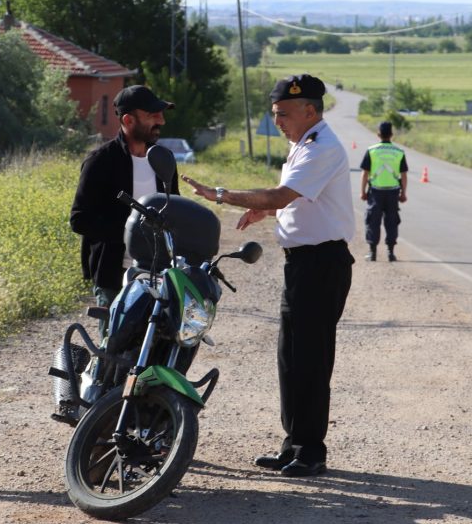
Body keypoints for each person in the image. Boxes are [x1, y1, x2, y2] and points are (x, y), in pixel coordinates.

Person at [182, 74, 355, 477]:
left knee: (311, 360)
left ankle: (312, 451)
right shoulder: (302, 145)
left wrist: (221, 194)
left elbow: (283, 194)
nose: (277, 121)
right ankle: (292, 444)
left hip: (322, 264)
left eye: (283, 114)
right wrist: (270, 210)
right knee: (290, 359)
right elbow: (299, 200)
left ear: (309, 111)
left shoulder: (322, 147)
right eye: (274, 114)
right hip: (302, 264)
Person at [69, 85, 180, 308]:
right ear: (129, 121)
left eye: (161, 114)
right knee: (114, 342)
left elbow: (175, 210)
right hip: (114, 275)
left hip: (160, 272)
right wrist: (131, 233)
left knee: (160, 341)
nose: (162, 121)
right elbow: (79, 219)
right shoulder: (100, 161)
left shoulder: (164, 159)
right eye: (153, 115)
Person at [359, 120, 408, 261]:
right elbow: (403, 175)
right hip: (393, 192)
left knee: (372, 221)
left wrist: (362, 191)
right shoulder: (399, 152)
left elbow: (365, 173)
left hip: (375, 192)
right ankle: (390, 252)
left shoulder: (371, 151)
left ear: (378, 134)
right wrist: (403, 193)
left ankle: (372, 253)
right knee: (391, 221)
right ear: (392, 134)